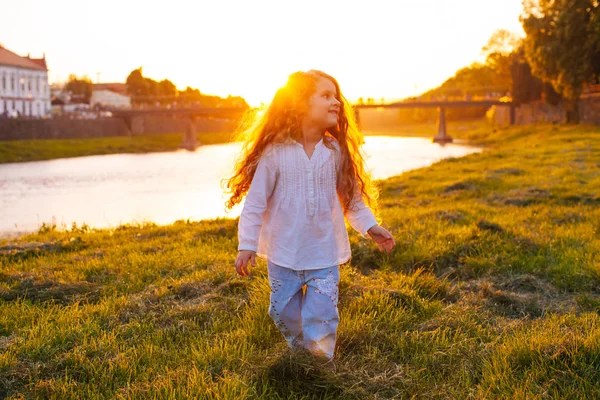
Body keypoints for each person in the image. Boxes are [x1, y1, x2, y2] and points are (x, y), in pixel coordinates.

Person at [223, 70, 395, 363]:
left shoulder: (335, 151)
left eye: (336, 96)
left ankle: (319, 365)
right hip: (283, 253)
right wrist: (247, 244)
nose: (336, 102)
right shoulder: (275, 152)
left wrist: (370, 226)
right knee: (282, 311)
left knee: (322, 314)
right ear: (300, 103)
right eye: (326, 96)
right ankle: (300, 350)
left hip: (323, 253)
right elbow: (255, 203)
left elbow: (351, 199)